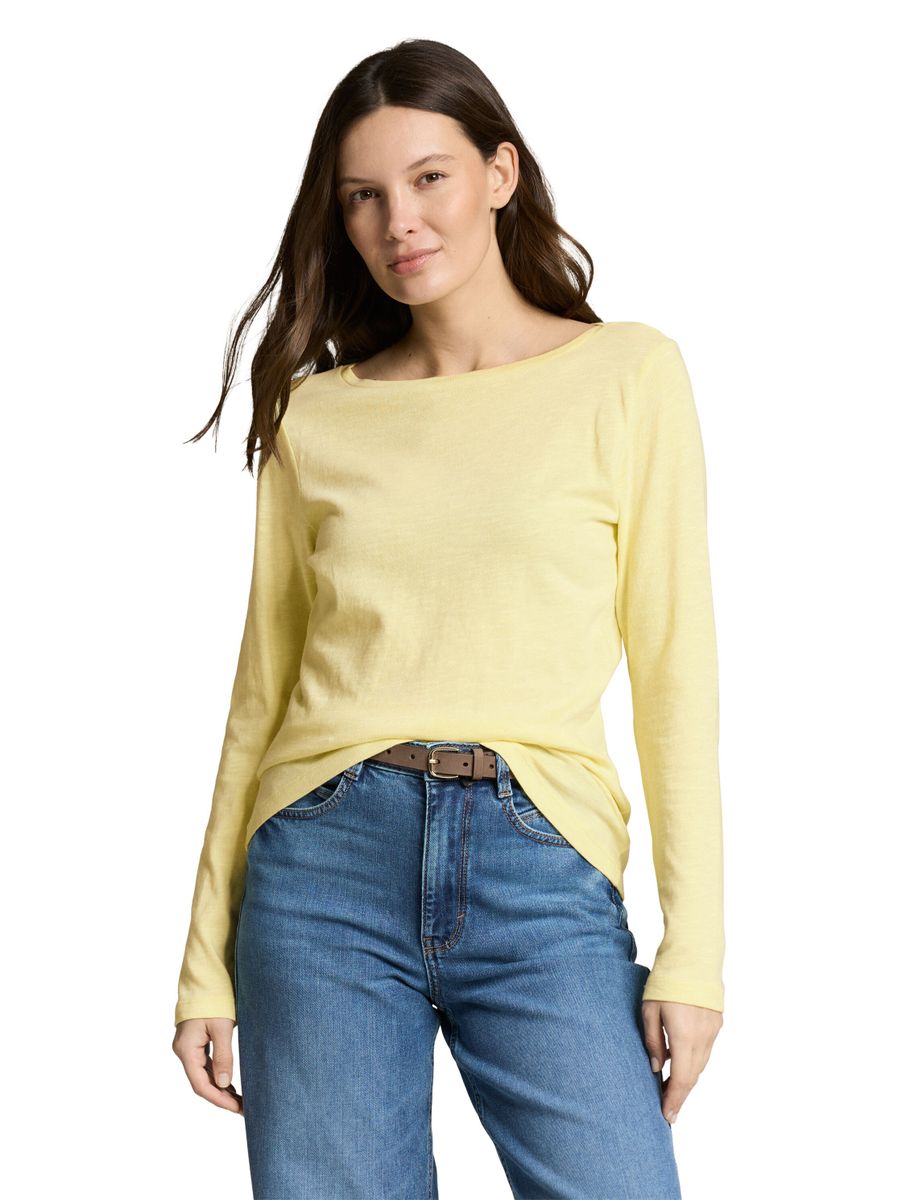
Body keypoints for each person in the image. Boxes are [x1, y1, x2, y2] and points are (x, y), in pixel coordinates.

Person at [171, 36, 725, 1200]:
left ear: (498, 173)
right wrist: (202, 966)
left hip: (540, 858)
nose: (398, 223)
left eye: (429, 177)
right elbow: (261, 695)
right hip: (319, 866)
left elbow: (675, 671)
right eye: (362, 197)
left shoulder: (625, 376)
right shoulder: (318, 418)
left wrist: (695, 950)